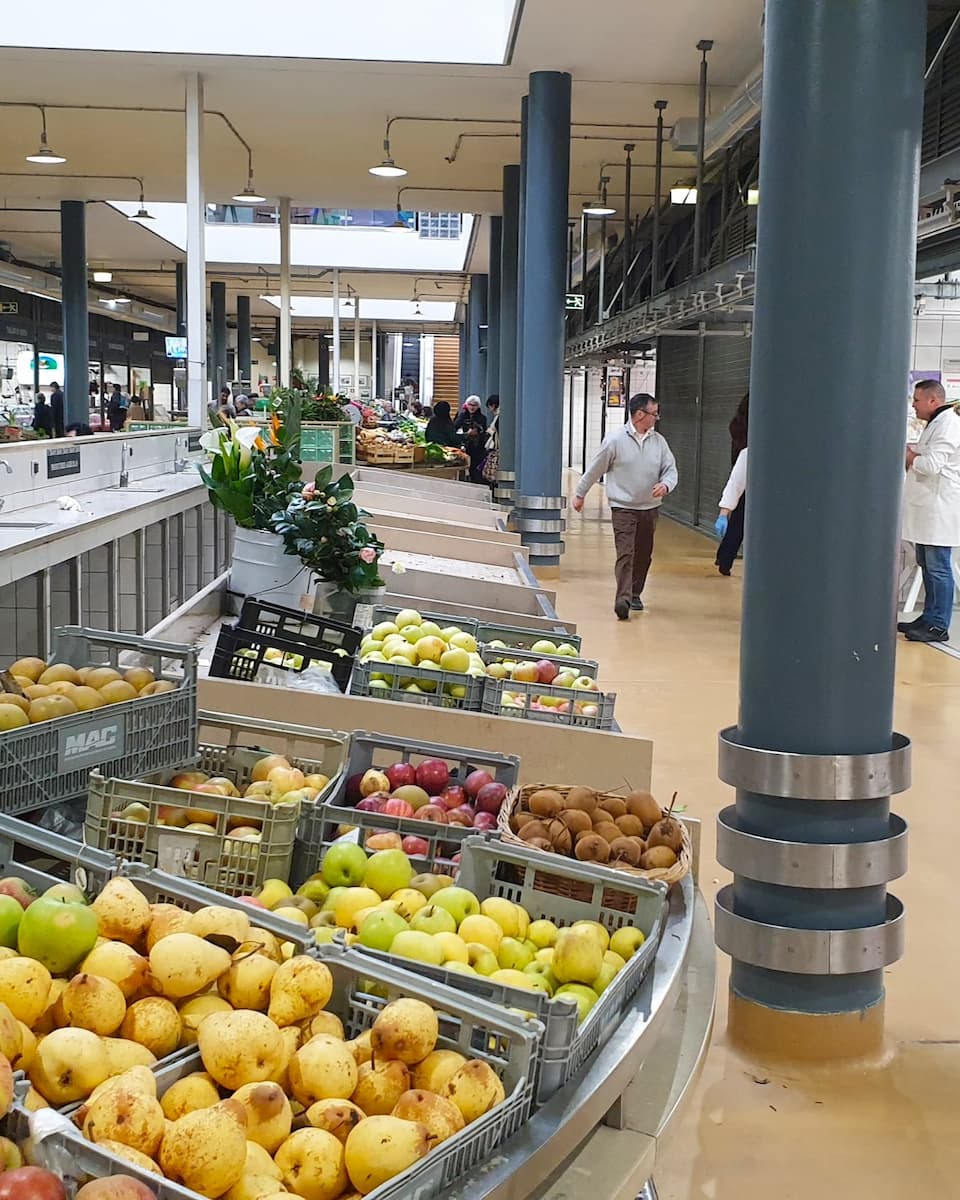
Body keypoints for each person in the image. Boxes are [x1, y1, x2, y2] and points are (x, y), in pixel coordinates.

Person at [573, 392, 678, 620]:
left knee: (644, 554)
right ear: (640, 415)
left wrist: (666, 485)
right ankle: (623, 599)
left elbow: (671, 470)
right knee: (626, 553)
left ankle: (636, 592)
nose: (656, 418)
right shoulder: (615, 440)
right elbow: (595, 469)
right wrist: (580, 493)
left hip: (650, 508)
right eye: (654, 413)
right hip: (623, 507)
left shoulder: (659, 442)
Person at [899, 379, 960, 643]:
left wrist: (910, 456)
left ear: (933, 400)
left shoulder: (948, 425)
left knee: (938, 568)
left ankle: (938, 624)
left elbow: (931, 465)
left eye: (916, 400)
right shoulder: (936, 424)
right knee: (927, 564)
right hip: (928, 510)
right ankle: (928, 617)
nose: (913, 406)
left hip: (939, 509)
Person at [716, 392, 749, 576]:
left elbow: (736, 480)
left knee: (738, 518)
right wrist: (723, 512)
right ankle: (724, 558)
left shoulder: (737, 427)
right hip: (746, 478)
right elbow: (737, 479)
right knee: (739, 519)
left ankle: (724, 557)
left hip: (742, 480)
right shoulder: (752, 441)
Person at [456, 395, 488, 483]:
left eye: (475, 405)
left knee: (475, 469)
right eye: (470, 404)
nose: (472, 407)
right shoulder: (462, 416)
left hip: (478, 447)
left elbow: (483, 432)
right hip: (464, 446)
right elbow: (455, 427)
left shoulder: (482, 418)